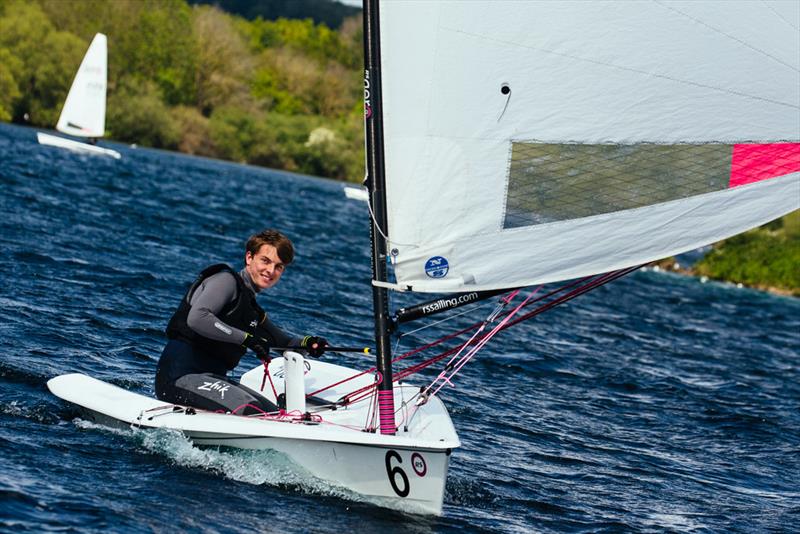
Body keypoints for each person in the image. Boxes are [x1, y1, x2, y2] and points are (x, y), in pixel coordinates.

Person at [155, 229, 328, 415]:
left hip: (211, 379)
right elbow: (198, 317)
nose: (271, 271)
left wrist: (309, 343)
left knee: (274, 414)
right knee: (252, 410)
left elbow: (283, 343)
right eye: (265, 261)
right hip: (180, 377)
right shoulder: (226, 281)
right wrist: (245, 338)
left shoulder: (251, 309)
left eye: (279, 267)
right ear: (249, 258)